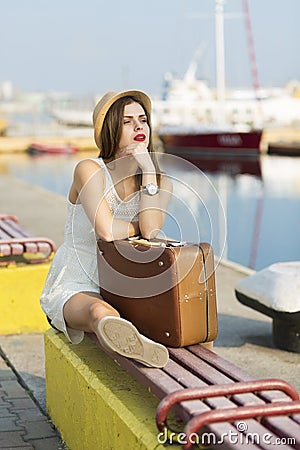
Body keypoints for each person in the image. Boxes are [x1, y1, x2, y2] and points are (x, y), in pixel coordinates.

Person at [40, 89, 173, 368]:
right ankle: (132, 342)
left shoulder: (160, 183)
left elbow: (150, 232)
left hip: (125, 287)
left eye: (143, 119)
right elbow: (107, 230)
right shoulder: (88, 170)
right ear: (110, 129)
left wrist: (148, 170)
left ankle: (139, 342)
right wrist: (138, 226)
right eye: (127, 121)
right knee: (99, 312)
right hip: (78, 282)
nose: (139, 126)